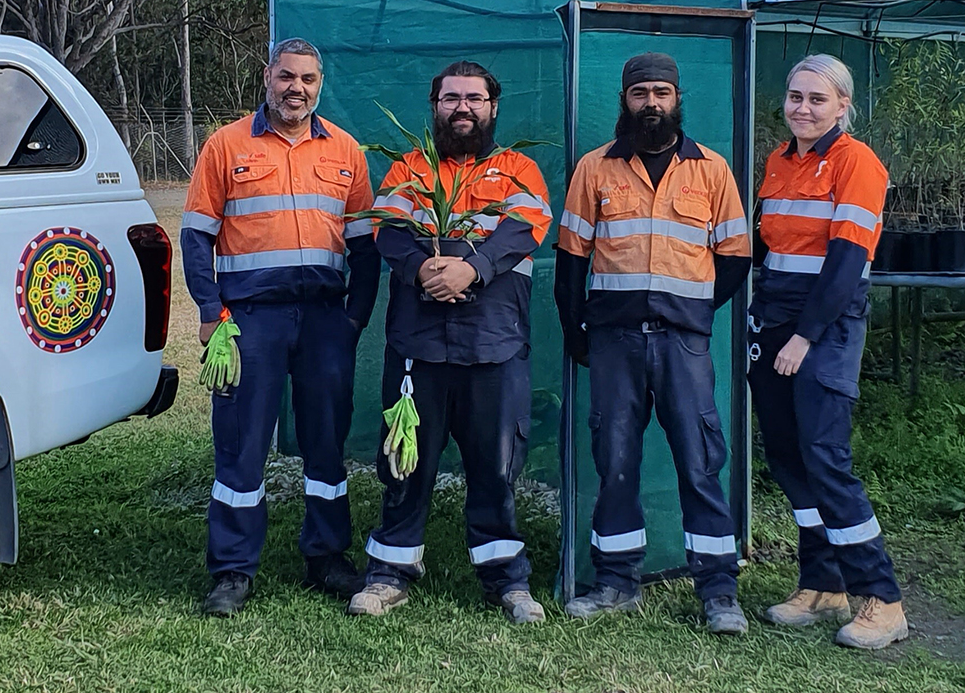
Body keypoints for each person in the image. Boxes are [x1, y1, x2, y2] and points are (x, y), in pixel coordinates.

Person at [344, 61, 552, 622]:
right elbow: (387, 228)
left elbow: (527, 227)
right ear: (434, 106)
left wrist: (472, 270)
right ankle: (390, 571)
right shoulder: (410, 169)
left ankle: (506, 580)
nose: (463, 108)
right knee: (404, 459)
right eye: (451, 98)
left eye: (475, 98)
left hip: (494, 344)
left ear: (493, 106)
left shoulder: (519, 170)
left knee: (496, 464)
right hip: (420, 344)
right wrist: (423, 270)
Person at [181, 37, 381, 617]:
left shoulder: (345, 150)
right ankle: (233, 570)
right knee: (241, 446)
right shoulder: (226, 145)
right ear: (267, 77)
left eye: (309, 80)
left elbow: (366, 244)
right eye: (287, 76)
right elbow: (196, 236)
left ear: (321, 84)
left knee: (327, 442)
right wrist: (211, 312)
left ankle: (326, 557)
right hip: (249, 322)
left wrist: (353, 319)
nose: (297, 88)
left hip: (324, 320)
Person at [554, 52, 752, 634]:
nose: (652, 103)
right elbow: (570, 259)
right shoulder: (596, 168)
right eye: (641, 93)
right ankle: (616, 581)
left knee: (700, 464)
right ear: (625, 99)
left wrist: (691, 308)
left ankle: (718, 591)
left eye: (662, 92)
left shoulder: (712, 170)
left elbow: (736, 259)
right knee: (615, 462)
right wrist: (574, 330)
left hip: (683, 345)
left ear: (678, 97)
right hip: (613, 342)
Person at [749, 53, 907, 649]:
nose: (804, 108)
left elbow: (845, 264)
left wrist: (803, 337)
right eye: (795, 97)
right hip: (774, 317)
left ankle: (882, 598)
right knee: (789, 457)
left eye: (818, 99)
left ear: (843, 105)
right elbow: (769, 251)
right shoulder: (780, 160)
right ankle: (822, 583)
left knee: (825, 455)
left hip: (825, 322)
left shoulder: (857, 162)